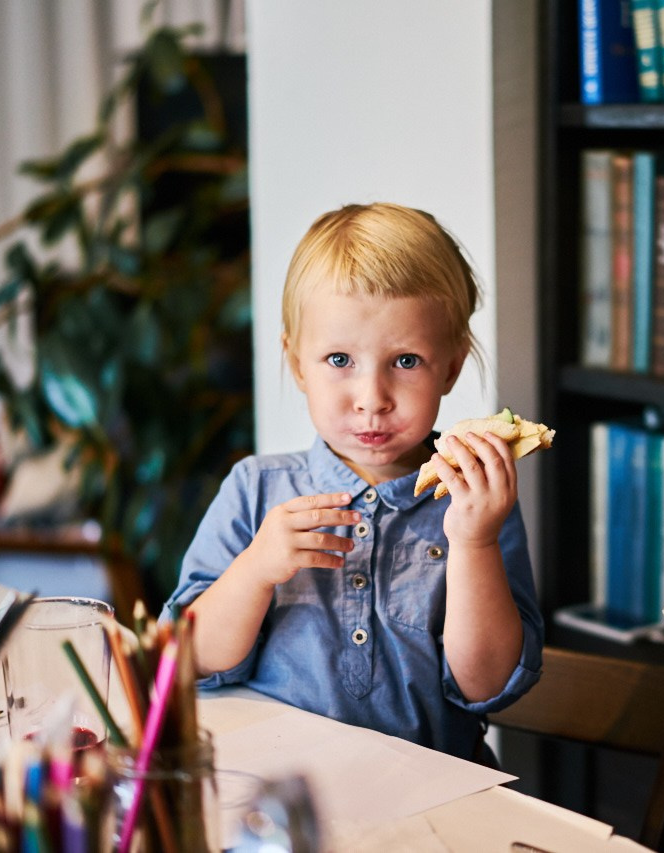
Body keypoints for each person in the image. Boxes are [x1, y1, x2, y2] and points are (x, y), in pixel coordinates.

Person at [164, 202, 543, 761]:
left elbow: (485, 686)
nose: (372, 398)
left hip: (433, 792)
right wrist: (257, 569)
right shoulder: (253, 489)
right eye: (339, 358)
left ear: (452, 367)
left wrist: (475, 541)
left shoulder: (477, 501)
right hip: (278, 786)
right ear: (296, 363)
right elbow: (190, 657)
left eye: (406, 361)